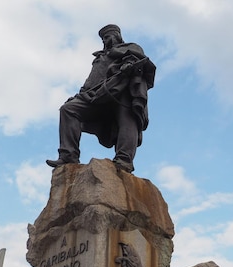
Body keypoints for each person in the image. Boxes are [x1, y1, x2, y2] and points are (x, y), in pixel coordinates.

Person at [46, 24, 156, 174]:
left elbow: (140, 61)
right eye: (104, 38)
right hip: (98, 94)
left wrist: (128, 65)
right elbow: (91, 81)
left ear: (117, 35)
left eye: (108, 36)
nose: (106, 40)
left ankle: (124, 160)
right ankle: (68, 155)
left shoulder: (131, 47)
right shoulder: (99, 58)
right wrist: (80, 94)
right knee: (68, 109)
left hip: (122, 90)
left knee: (127, 120)